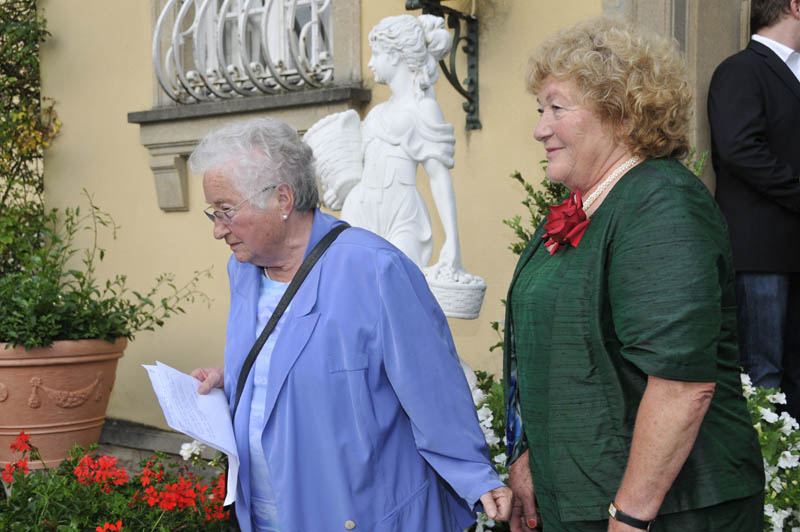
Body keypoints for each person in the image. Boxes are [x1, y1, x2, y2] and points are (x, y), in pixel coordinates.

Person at [188, 117, 511, 532]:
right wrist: (232, 379)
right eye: (213, 213)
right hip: (265, 516)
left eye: (226, 211)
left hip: (361, 515)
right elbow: (293, 365)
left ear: (283, 199)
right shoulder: (244, 271)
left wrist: (476, 477)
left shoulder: (375, 269)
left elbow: (432, 388)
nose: (218, 230)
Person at [504, 18, 764, 532]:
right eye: (540, 110)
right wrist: (527, 456)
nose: (540, 128)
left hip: (669, 513)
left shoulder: (661, 203)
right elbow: (549, 351)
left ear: (621, 114)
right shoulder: (588, 206)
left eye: (557, 108)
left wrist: (629, 515)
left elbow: (681, 386)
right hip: (581, 500)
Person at [708, 0, 800, 420]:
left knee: (793, 377)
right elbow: (740, 149)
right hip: (759, 254)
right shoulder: (740, 70)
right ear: (794, 6)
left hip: (791, 252)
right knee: (762, 377)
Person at [339, 14, 467, 280]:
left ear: (395, 55)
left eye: (376, 54)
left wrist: (452, 241)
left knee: (398, 286)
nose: (370, 63)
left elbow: (438, 176)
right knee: (358, 290)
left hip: (402, 214)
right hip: (360, 209)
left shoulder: (423, 109)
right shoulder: (375, 114)